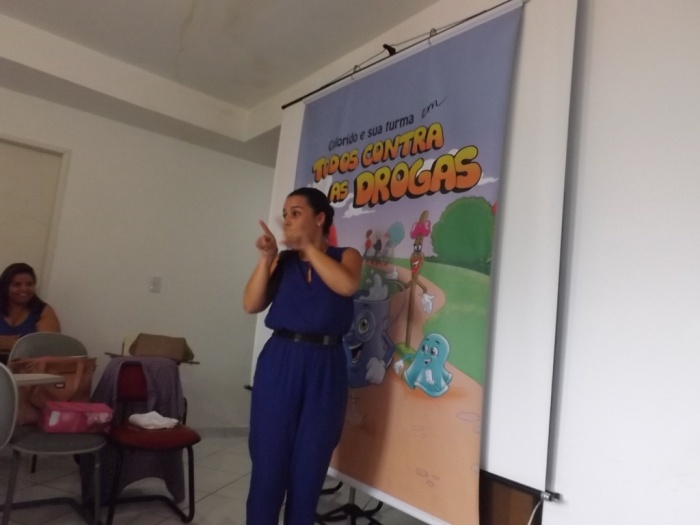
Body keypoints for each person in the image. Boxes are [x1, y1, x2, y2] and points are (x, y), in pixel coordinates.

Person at [243, 187, 362, 525]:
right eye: (285, 215)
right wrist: (266, 258)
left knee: (310, 467)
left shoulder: (346, 255)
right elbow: (251, 304)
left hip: (327, 365)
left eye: (295, 213)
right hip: (281, 361)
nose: (287, 221)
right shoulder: (283, 262)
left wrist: (308, 247)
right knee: (268, 463)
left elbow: (346, 286)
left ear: (320, 218)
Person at [0, 262, 61, 361]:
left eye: (29, 284)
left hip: (28, 368)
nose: (24, 289)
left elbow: (49, 347)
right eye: (17, 284)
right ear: (5, 287)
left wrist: (14, 343)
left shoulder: (43, 310)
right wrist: (26, 344)